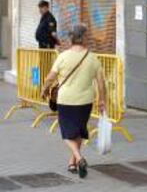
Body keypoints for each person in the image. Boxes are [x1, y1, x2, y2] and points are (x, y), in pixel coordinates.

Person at [41, 24, 106, 178]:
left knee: (66, 134)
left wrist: (44, 89)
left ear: (71, 38)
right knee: (78, 132)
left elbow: (51, 77)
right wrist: (102, 100)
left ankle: (79, 158)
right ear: (84, 38)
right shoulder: (92, 58)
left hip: (66, 101)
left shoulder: (63, 57)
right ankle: (72, 163)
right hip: (85, 102)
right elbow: (101, 82)